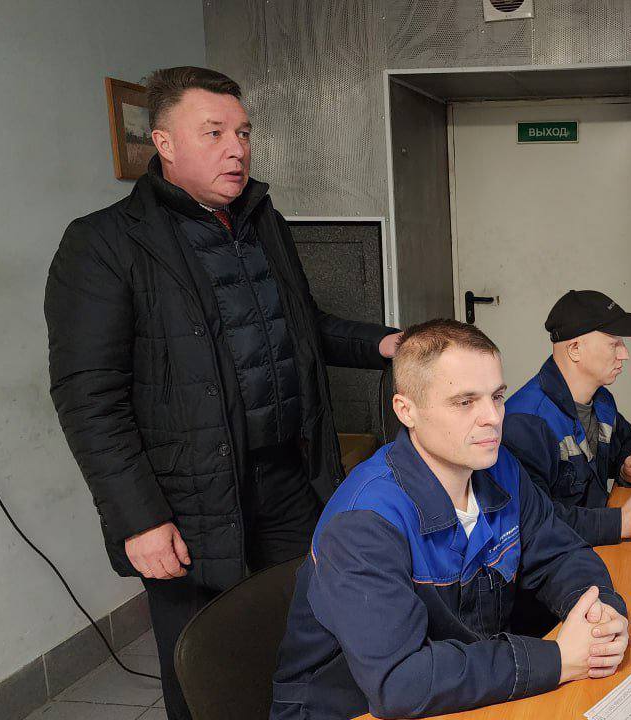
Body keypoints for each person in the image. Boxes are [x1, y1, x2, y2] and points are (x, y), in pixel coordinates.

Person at [44, 66, 400, 720]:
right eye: (214, 133)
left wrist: (389, 344)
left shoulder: (263, 225)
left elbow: (305, 328)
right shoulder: (104, 243)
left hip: (289, 480)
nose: (237, 148)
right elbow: (89, 398)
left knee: (311, 638)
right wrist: (139, 519)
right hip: (189, 502)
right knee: (206, 669)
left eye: (243, 132)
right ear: (164, 143)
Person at [272, 319, 630, 719]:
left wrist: (602, 613)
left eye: (497, 396)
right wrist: (557, 659)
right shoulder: (364, 522)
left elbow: (561, 553)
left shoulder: (500, 468)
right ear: (406, 410)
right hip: (350, 711)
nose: (492, 417)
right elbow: (400, 682)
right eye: (465, 402)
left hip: (455, 694)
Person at [503, 290, 631, 548]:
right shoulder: (525, 424)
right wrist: (619, 522)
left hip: (591, 541)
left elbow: (624, 442)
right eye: (614, 344)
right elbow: (536, 523)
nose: (625, 354)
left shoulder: (601, 399)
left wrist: (630, 467)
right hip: (555, 559)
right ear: (575, 349)